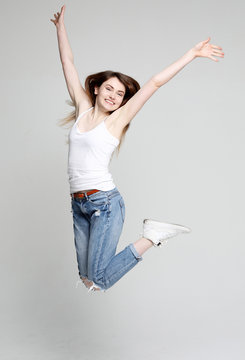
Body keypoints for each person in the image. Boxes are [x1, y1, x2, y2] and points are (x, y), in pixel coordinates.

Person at [50, 5, 224, 292]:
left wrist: (191, 55)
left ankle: (152, 236)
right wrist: (60, 29)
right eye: (109, 89)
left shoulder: (117, 121)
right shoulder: (82, 109)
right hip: (79, 203)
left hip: (104, 204)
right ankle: (150, 237)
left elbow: (154, 82)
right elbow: (68, 63)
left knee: (101, 280)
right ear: (96, 89)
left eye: (119, 94)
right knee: (87, 278)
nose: (114, 96)